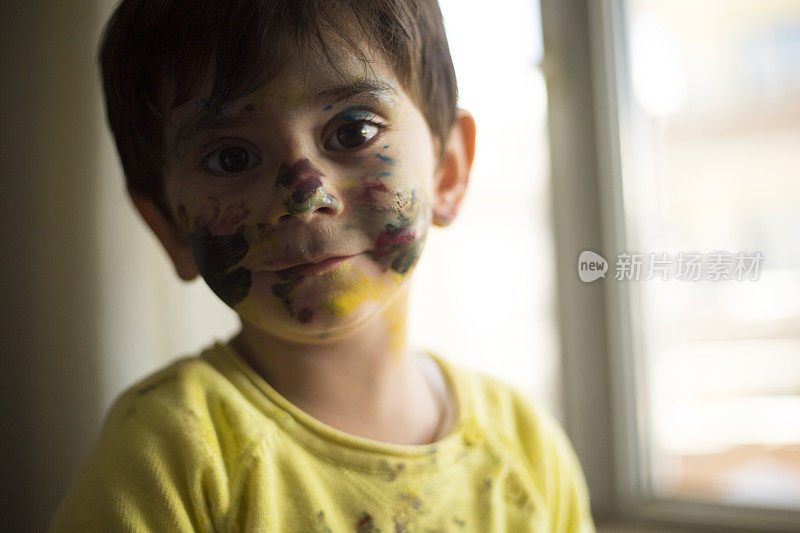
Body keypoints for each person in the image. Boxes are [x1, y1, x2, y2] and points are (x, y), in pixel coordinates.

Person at [50, 0, 595, 531]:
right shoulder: (169, 451)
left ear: (447, 170)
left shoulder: (527, 447)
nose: (303, 195)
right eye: (231, 158)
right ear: (169, 226)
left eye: (353, 131)